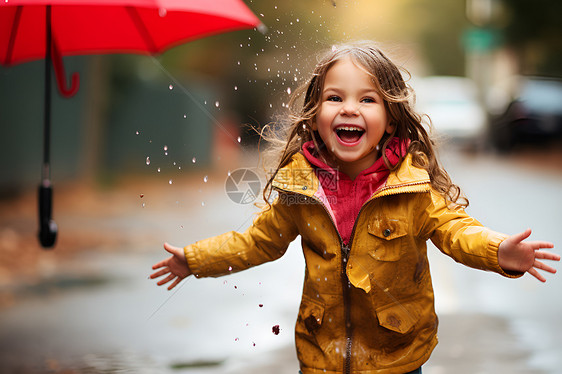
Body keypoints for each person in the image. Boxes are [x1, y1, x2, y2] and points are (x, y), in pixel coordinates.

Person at [150, 41, 559, 374]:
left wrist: (500, 251)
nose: (349, 108)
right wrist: (195, 259)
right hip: (321, 354)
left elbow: (457, 231)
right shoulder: (300, 190)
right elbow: (257, 242)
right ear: (315, 117)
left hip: (396, 356)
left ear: (391, 119)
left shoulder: (411, 188)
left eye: (368, 99)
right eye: (334, 97)